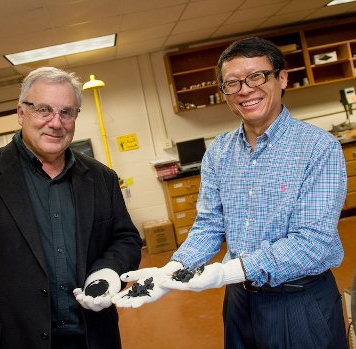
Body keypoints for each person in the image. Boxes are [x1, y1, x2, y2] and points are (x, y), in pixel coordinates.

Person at [113, 37, 348, 348]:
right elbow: (209, 226)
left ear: (282, 78)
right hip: (239, 301)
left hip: (299, 301)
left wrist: (229, 271)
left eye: (256, 76)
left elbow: (313, 242)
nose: (245, 90)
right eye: (232, 83)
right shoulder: (219, 152)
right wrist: (174, 270)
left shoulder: (319, 148)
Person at [0, 66, 142, 349]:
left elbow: (126, 239)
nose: (56, 123)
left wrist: (107, 270)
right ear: (21, 113)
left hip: (93, 339)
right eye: (43, 110)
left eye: (66, 112)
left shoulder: (101, 178)